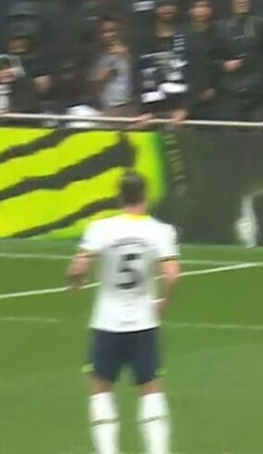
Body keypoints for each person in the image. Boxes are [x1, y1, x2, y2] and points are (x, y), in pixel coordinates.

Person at [66, 171, 181, 454]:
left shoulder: (102, 228)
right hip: (144, 322)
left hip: (107, 322)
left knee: (101, 387)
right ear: (146, 195)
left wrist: (76, 280)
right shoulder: (160, 231)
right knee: (151, 387)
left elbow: (78, 267)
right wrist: (164, 301)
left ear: (120, 197)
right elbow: (173, 274)